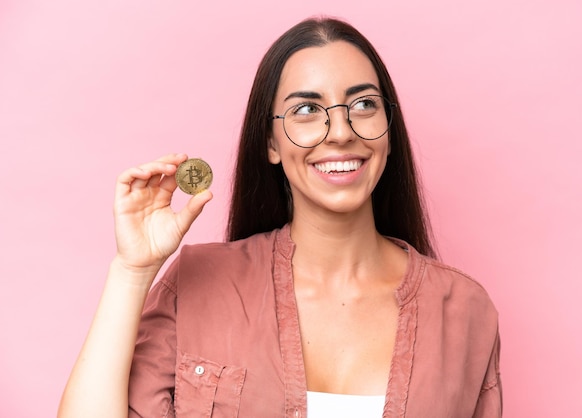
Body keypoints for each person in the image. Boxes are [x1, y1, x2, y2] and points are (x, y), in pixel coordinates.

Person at [58, 17, 502, 418]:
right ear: (270, 143)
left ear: (388, 130)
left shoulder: (464, 310)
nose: (342, 131)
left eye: (364, 104)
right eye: (307, 110)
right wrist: (132, 271)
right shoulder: (198, 284)